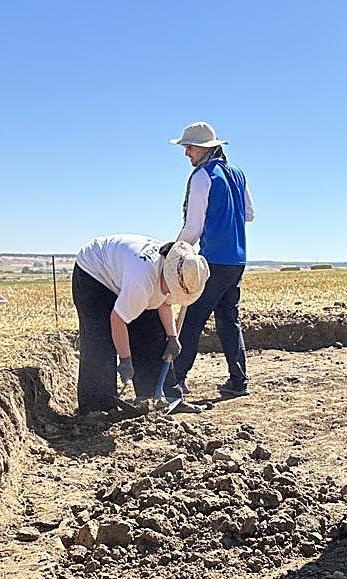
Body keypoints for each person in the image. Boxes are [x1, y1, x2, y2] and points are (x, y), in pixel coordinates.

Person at [72, 235, 207, 414]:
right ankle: (96, 408)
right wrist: (125, 360)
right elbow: (118, 319)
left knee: (151, 335)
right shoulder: (142, 281)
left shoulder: (175, 267)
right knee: (100, 342)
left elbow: (165, 301)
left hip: (126, 273)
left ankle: (161, 398)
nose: (173, 292)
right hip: (93, 273)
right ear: (167, 275)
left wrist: (172, 337)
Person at [168, 121, 254, 401]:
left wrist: (175, 253)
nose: (186, 153)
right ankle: (238, 381)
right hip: (237, 259)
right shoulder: (237, 173)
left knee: (192, 319)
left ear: (204, 148)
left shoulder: (202, 176)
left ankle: (175, 382)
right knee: (229, 318)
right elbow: (249, 214)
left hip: (213, 260)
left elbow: (193, 227)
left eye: (189, 148)